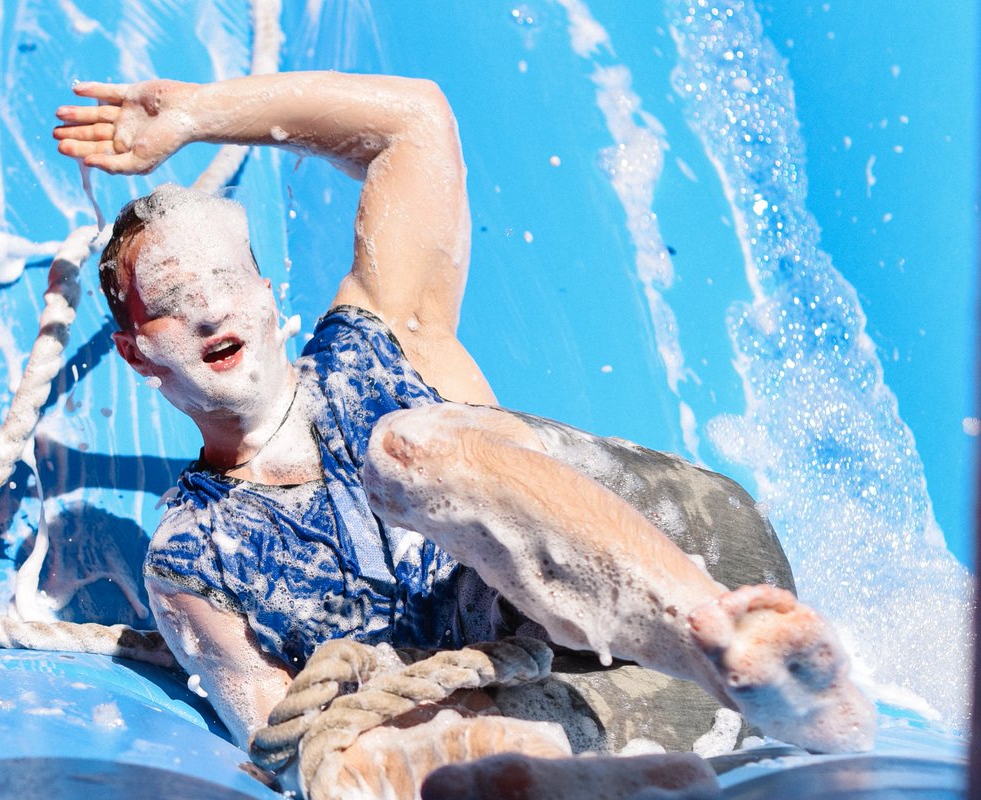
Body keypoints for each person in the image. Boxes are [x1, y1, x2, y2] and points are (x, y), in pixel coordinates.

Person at [54, 71, 874, 797]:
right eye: (171, 296)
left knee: (407, 452)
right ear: (137, 353)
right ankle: (769, 732)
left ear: (268, 296)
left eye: (224, 278)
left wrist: (199, 114)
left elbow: (415, 121)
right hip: (619, 708)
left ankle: (734, 645)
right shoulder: (194, 561)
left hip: (699, 557)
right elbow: (292, 743)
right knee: (449, 762)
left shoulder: (380, 341)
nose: (208, 307)